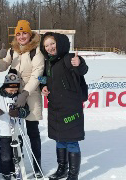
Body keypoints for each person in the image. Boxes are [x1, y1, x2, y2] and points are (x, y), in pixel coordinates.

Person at [0, 20, 45, 177]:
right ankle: (9, 163)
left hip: (31, 94)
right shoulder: (12, 50)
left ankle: (37, 167)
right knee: (12, 131)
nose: (22, 36)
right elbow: (1, 67)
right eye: (18, 33)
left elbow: (38, 74)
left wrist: (26, 93)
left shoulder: (36, 51)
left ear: (30, 34)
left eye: (24, 33)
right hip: (12, 92)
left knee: (32, 132)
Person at [39, 32, 88, 180]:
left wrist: (79, 63)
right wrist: (43, 86)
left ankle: (73, 175)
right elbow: (43, 78)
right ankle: (62, 169)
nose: (50, 48)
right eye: (46, 45)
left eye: (52, 44)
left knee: (71, 140)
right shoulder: (48, 62)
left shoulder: (68, 58)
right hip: (55, 107)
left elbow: (82, 69)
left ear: (59, 43)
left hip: (71, 106)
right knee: (59, 138)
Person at [0, 69, 30, 180]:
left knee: (18, 152)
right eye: (10, 89)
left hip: (17, 131)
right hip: (4, 131)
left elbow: (26, 111)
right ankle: (5, 170)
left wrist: (18, 112)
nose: (13, 91)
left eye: (15, 89)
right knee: (6, 154)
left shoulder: (20, 97)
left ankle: (16, 168)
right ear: (5, 87)